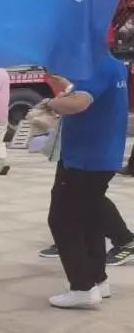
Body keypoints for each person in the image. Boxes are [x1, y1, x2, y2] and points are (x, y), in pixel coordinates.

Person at [43, 43, 129, 308]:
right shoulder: (114, 65)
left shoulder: (95, 67)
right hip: (100, 156)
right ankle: (98, 281)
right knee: (89, 218)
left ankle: (82, 287)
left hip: (85, 160)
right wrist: (68, 86)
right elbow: (91, 94)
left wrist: (50, 103)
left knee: (62, 220)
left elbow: (80, 103)